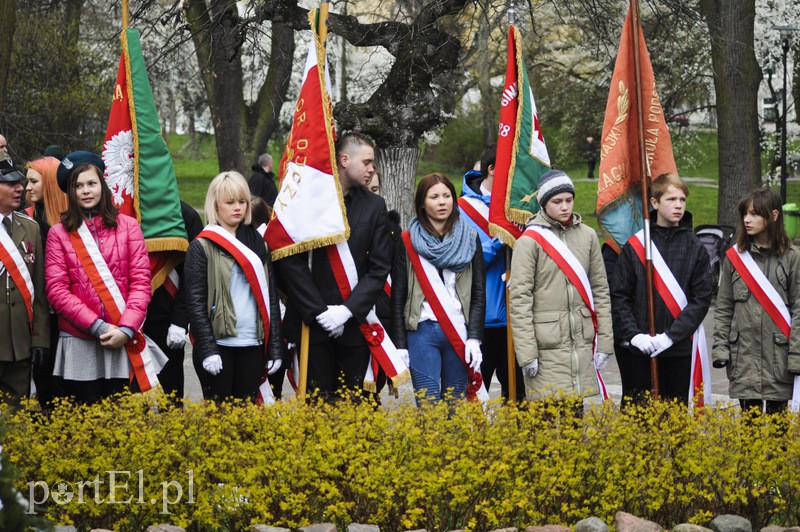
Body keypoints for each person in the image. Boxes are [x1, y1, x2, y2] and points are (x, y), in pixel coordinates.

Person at [276, 132, 392, 401]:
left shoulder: (375, 206)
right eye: (366, 162)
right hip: (312, 326)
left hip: (355, 328)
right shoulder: (305, 202)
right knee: (317, 410)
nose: (372, 169)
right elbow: (290, 261)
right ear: (344, 159)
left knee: (357, 410)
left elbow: (378, 268)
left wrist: (346, 312)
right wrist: (319, 312)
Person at [46, 151, 166, 403]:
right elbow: (57, 290)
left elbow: (141, 282)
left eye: (92, 183)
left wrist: (126, 328)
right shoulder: (58, 234)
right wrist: (97, 325)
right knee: (84, 420)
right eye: (78, 186)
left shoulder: (128, 226)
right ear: (70, 191)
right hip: (80, 340)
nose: (86, 191)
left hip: (124, 337)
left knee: (125, 422)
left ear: (103, 184)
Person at [509, 170, 612, 404]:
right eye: (557, 202)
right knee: (545, 419)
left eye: (569, 200)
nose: (565, 207)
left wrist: (604, 342)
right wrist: (527, 355)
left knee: (574, 417)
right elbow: (520, 300)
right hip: (545, 345)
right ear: (544, 204)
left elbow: (600, 291)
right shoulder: (529, 241)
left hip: (581, 341)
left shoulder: (587, 236)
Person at [611, 173, 713, 405]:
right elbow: (619, 295)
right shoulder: (636, 245)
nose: (678, 205)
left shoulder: (694, 247)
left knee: (675, 418)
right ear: (654, 203)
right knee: (641, 418)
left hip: (679, 349)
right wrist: (634, 335)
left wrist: (671, 336)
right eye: (671, 199)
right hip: (641, 349)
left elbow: (701, 299)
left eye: (682, 200)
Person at [185, 171, 284, 403]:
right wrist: (207, 349)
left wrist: (275, 348)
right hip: (219, 344)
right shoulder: (201, 246)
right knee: (220, 420)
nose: (237, 208)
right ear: (215, 204)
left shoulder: (259, 243)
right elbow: (195, 303)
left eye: (242, 201)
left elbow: (271, 298)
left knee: (247, 420)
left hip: (253, 342)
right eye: (230, 202)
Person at [391, 173, 485, 403]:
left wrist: (474, 337)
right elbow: (398, 296)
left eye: (447, 196)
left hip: (459, 330)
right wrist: (401, 345)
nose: (442, 202)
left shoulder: (471, 238)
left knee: (455, 406)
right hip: (421, 333)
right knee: (429, 407)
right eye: (434, 197)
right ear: (422, 203)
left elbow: (478, 294)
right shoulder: (407, 241)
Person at [713, 189, 800, 414]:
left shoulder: (792, 257)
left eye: (754, 214)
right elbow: (724, 307)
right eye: (745, 214)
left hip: (778, 358)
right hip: (743, 357)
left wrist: (796, 354)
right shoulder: (735, 257)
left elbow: (799, 308)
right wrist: (721, 348)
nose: (746, 220)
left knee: (777, 430)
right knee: (749, 431)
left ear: (773, 215)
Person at [459, 145, 524, 401]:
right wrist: (500, 240)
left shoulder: (521, 208)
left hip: (516, 318)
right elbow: (465, 259)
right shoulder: (463, 208)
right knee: (477, 396)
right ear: (492, 169)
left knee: (519, 398)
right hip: (481, 319)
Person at [0, 156, 50, 402]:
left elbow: (39, 292)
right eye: (9, 183)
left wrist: (40, 339)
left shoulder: (30, 228)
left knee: (16, 420)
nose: (20, 188)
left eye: (19, 182)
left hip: (20, 344)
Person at [143, 201, 203, 401]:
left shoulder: (185, 215)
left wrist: (179, 320)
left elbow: (193, 273)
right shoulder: (120, 211)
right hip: (128, 319)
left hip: (168, 319)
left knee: (171, 400)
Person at [24, 156, 69, 406]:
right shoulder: (24, 221)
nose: (27, 188)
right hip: (37, 315)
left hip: (65, 317)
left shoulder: (69, 224)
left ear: (50, 183)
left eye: (33, 181)